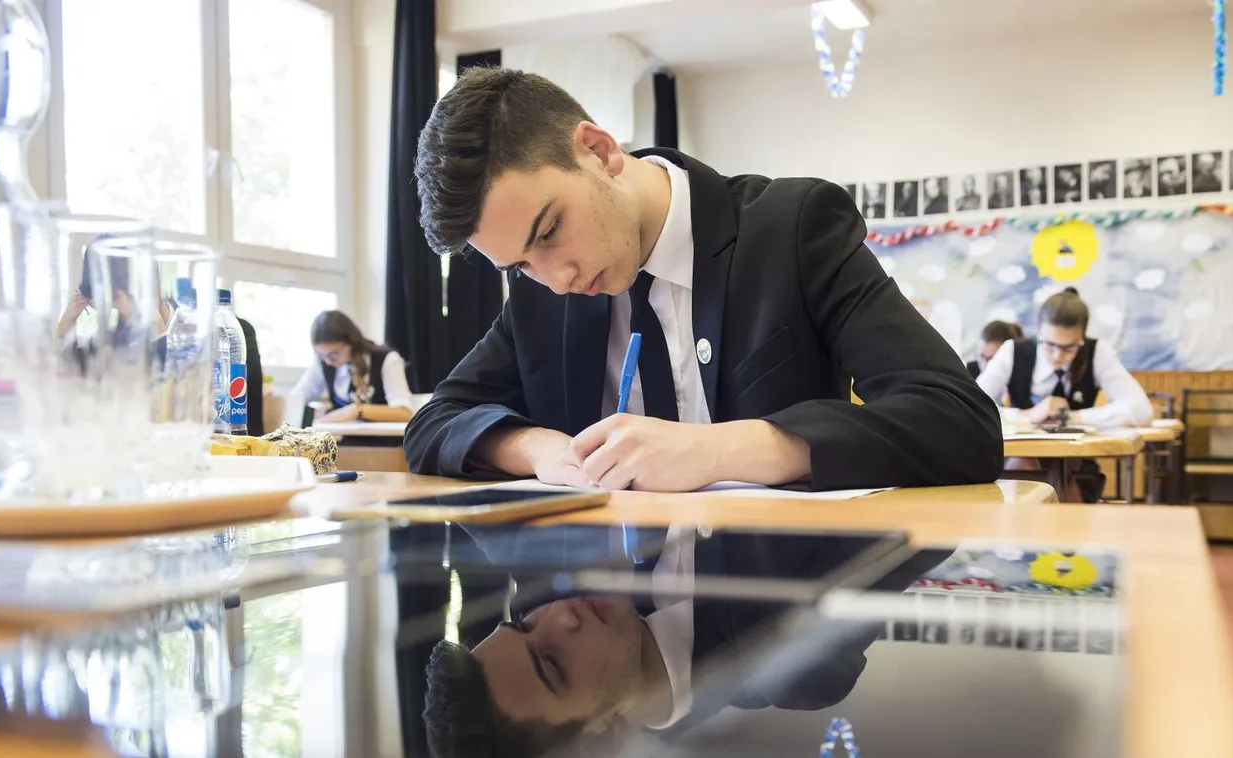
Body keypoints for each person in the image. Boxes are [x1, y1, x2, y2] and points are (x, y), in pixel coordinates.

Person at [405, 67, 1003, 493]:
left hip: (777, 633)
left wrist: (719, 451)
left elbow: (959, 422)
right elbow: (434, 421)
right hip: (598, 626)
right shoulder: (540, 292)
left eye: (551, 229)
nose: (555, 280)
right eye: (519, 265)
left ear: (598, 149)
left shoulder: (793, 231)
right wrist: (534, 449)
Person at [419, 524, 949, 756]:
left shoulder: (568, 564)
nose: (562, 617)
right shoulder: (788, 664)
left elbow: (440, 428)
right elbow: (934, 504)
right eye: (554, 664)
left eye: (525, 623)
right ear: (599, 741)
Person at [975, 288, 1153, 501]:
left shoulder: (1097, 353)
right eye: (1049, 345)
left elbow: (1140, 408)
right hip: (1019, 463)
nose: (1058, 355)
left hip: (1077, 464)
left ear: (1082, 339)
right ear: (1039, 333)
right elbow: (973, 405)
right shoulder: (1013, 351)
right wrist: (1028, 415)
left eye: (1069, 348)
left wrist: (1074, 417)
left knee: (1070, 490)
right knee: (1023, 473)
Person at [283, 310, 421, 426]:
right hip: (344, 442)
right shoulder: (324, 363)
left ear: (351, 341)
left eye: (334, 354)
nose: (328, 362)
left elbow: (403, 413)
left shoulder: (386, 360)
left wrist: (357, 411)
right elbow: (298, 397)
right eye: (322, 355)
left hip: (383, 444)